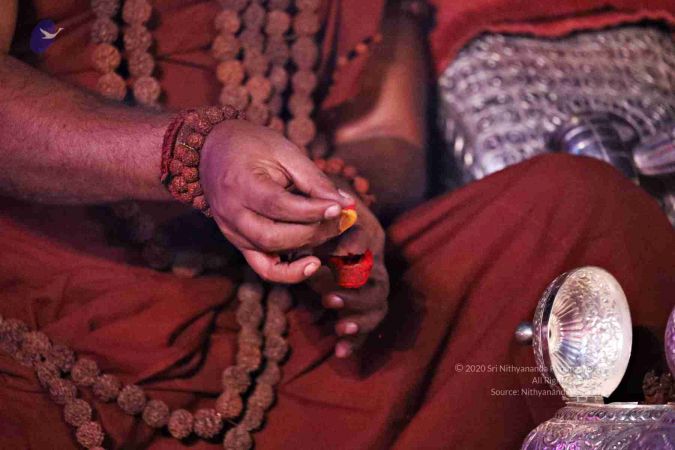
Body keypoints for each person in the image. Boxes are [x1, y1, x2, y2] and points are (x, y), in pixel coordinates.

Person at [0, 0, 673, 449]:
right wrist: (190, 154)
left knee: (577, 213)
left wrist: (334, 210)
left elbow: (385, 134)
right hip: (56, 329)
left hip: (295, 327)